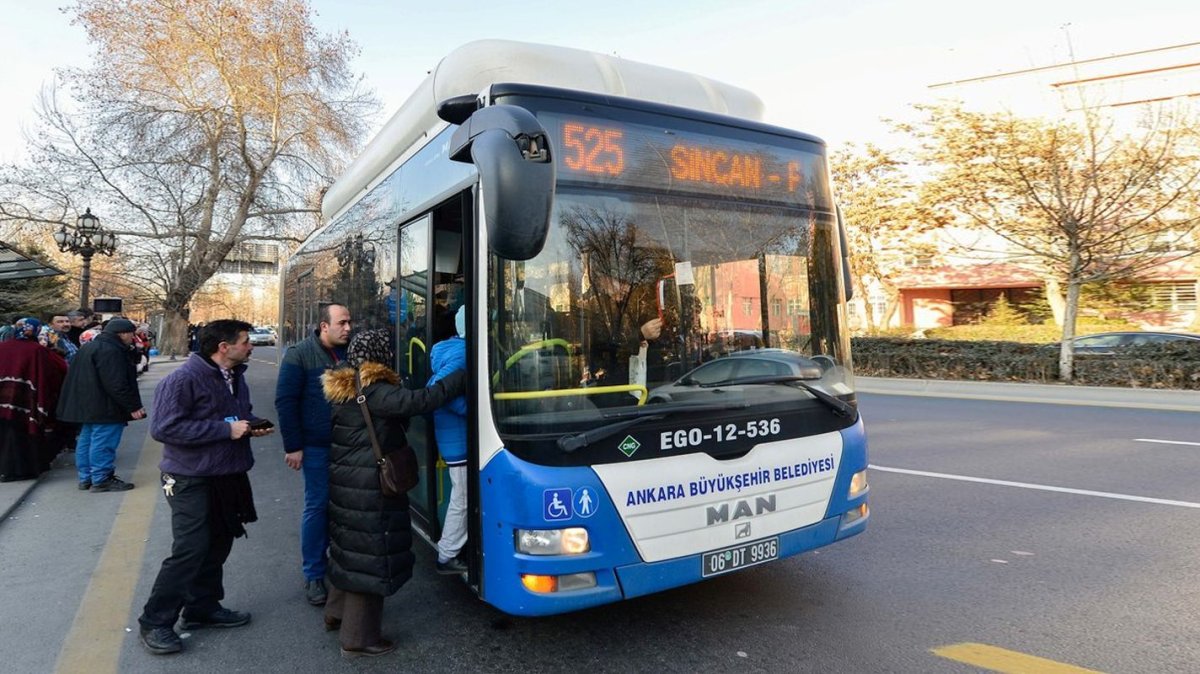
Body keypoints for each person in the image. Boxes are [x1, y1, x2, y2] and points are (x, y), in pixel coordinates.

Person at [320, 329, 465, 658]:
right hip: (371, 486)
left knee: (350, 551)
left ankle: (335, 612)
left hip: (349, 483)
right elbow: (421, 401)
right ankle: (358, 638)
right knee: (371, 558)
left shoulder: (347, 385)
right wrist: (461, 375)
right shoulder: (375, 390)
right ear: (379, 356)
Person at [136, 319, 273, 655]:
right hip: (189, 478)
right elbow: (165, 428)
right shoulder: (181, 379)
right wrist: (226, 431)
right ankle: (154, 621)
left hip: (226, 475)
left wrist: (250, 425)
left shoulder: (235, 376)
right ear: (223, 347)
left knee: (219, 541)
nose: (251, 345)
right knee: (191, 548)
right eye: (245, 341)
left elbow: (234, 414)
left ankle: (202, 607)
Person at [275, 302, 352, 606]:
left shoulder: (351, 353)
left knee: (346, 508)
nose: (348, 328)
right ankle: (314, 574)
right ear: (324, 326)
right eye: (342, 323)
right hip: (316, 447)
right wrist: (293, 446)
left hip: (348, 446)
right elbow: (285, 401)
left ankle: (340, 566)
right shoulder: (300, 354)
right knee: (318, 507)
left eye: (349, 323)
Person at [56, 318, 146, 491]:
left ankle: (87, 477)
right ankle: (101, 478)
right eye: (131, 334)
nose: (132, 338)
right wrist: (133, 406)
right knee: (103, 442)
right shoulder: (112, 351)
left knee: (86, 440)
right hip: (105, 406)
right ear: (122, 334)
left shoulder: (89, 347)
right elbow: (117, 383)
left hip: (87, 404)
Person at [0, 318, 68, 481]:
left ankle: (5, 469)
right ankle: (23, 469)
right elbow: (59, 369)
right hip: (27, 401)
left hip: (3, 398)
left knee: (4, 434)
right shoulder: (38, 350)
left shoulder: (2, 347)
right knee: (24, 437)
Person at [430, 305, 469, 575]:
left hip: (453, 436)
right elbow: (439, 389)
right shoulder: (464, 352)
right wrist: (474, 410)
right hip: (458, 438)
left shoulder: (449, 348)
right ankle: (448, 553)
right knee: (463, 497)